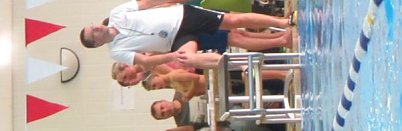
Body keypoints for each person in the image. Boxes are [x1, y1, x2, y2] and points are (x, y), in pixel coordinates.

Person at [79, 0, 293, 69]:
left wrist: (176, 1)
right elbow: (144, 61)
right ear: (96, 43)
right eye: (93, 33)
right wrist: (171, 57)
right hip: (175, 40)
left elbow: (149, 3)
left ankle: (283, 22)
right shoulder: (117, 51)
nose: (96, 28)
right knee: (188, 58)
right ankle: (281, 41)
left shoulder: (116, 13)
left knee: (233, 22)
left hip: (182, 15)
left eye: (92, 26)